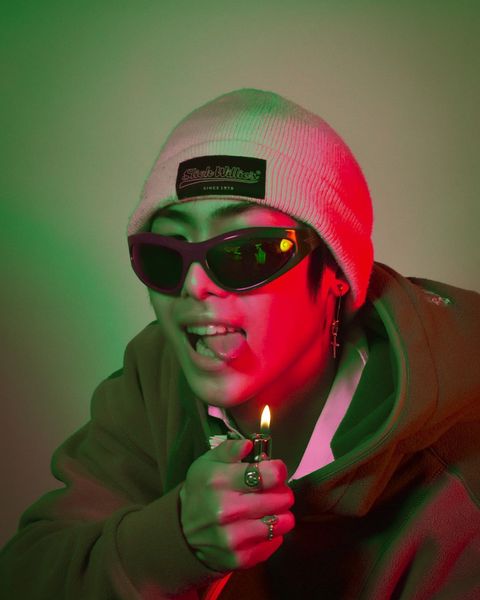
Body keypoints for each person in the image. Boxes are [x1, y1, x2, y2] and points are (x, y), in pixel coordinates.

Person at [1, 89, 479, 599]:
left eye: (246, 253)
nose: (194, 287)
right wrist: (173, 544)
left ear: (336, 273)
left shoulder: (456, 480)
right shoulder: (156, 378)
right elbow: (27, 577)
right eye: (165, 255)